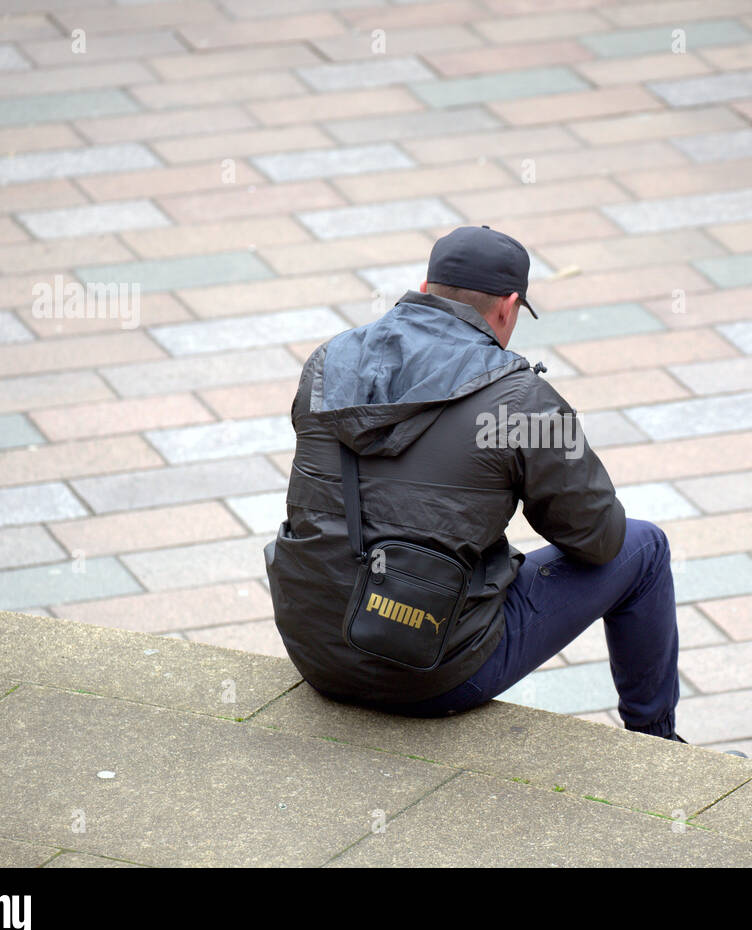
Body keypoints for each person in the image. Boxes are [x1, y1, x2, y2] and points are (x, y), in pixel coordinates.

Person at [264, 225, 685, 742]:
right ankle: (659, 742)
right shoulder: (521, 400)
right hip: (430, 671)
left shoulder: (329, 362)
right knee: (644, 548)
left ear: (424, 287)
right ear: (508, 307)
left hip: (316, 648)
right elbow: (598, 540)